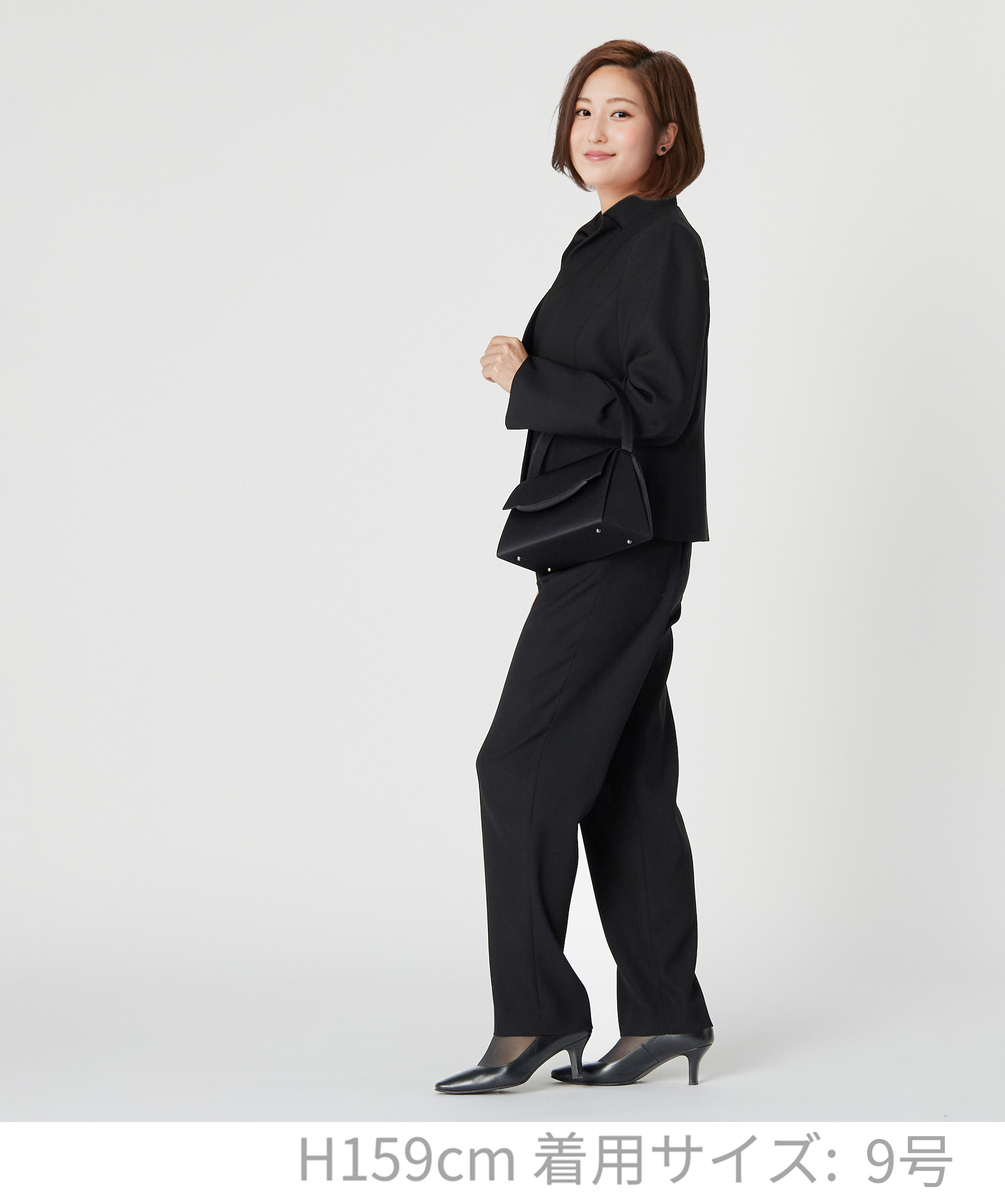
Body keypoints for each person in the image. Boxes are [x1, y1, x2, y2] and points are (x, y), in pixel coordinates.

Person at [434, 40, 714, 1095]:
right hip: (604, 542)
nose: (595, 130)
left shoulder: (661, 245)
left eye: (622, 114)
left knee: (516, 765)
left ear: (667, 136)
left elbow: (660, 406)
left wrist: (527, 377)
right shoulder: (602, 244)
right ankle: (665, 1015)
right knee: (626, 785)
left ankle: (536, 1019)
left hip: (622, 547)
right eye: (584, 110)